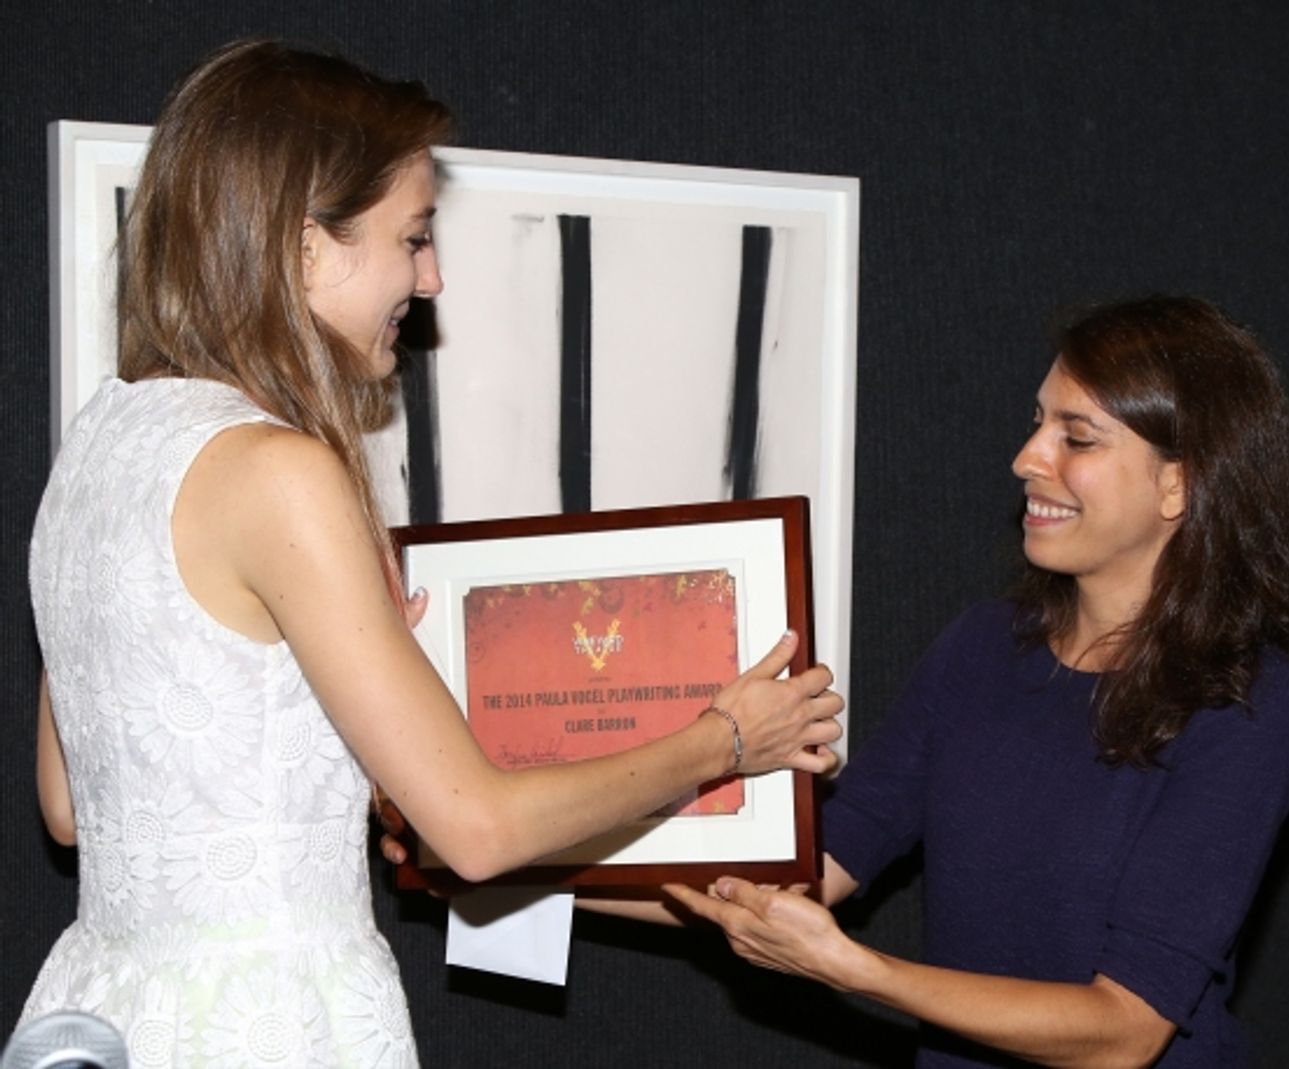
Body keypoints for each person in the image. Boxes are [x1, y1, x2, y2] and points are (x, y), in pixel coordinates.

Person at [23, 39, 842, 1068]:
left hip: (110, 1007)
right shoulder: (276, 470)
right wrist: (723, 738)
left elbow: (69, 806)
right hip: (271, 1019)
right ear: (306, 247)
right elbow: (479, 832)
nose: (432, 275)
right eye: (412, 237)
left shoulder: (101, 440)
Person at [660, 296, 1289, 1068]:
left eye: (1076, 437)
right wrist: (534, 869)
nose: (1028, 457)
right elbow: (812, 863)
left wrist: (856, 968)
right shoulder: (983, 646)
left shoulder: (1248, 698)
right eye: (1038, 422)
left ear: (1178, 486)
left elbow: (1126, 1029)